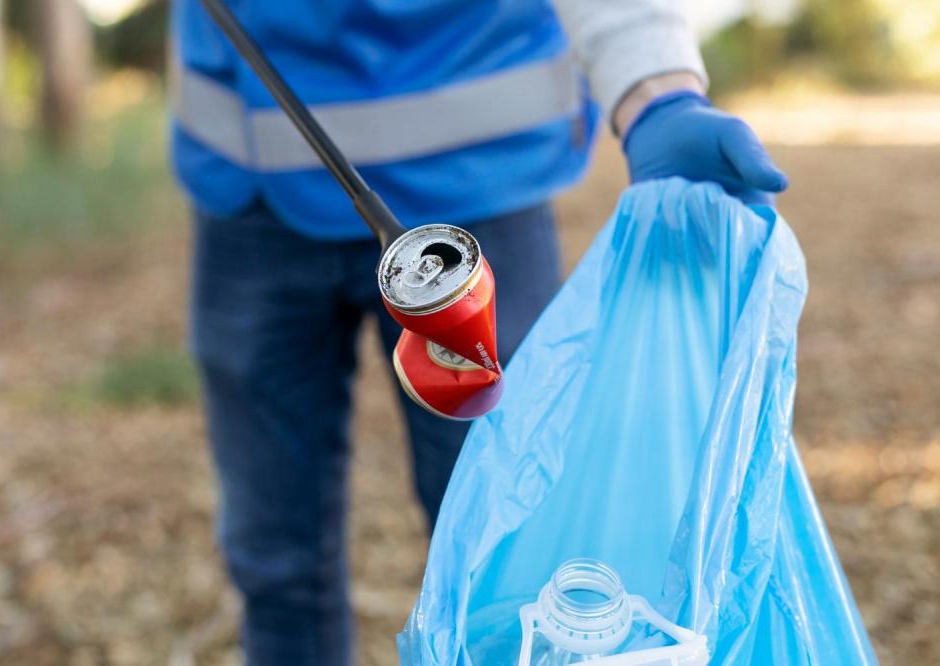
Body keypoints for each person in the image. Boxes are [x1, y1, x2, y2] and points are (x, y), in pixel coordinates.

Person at [170, 0, 788, 663]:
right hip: (250, 193)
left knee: (507, 559)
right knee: (274, 560)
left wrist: (656, 93)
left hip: (476, 189)